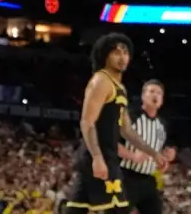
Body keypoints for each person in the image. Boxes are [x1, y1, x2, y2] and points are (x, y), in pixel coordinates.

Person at [67, 34, 164, 214]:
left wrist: (153, 153)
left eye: (126, 53)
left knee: (75, 210)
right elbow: (87, 122)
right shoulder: (101, 81)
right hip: (99, 156)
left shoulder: (119, 87)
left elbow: (127, 130)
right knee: (117, 209)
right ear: (105, 55)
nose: (122, 57)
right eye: (116, 53)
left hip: (103, 157)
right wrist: (97, 158)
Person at [119, 80, 175, 214]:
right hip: (126, 176)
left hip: (149, 179)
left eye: (159, 93)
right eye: (151, 91)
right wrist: (131, 155)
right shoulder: (131, 116)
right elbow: (110, 143)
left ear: (162, 100)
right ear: (143, 96)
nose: (155, 95)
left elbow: (165, 149)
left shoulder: (163, 124)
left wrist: (169, 155)